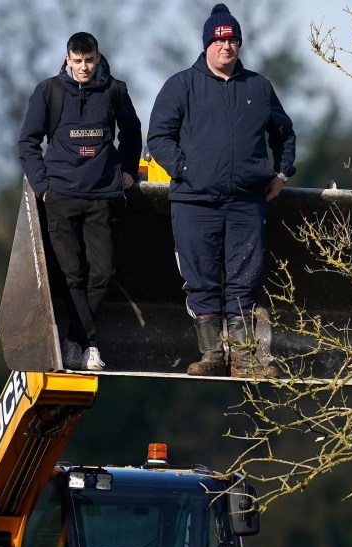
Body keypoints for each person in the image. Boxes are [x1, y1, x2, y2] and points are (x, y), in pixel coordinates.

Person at [147, 4, 296, 378]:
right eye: (219, 40)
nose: (226, 47)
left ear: (239, 45)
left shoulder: (259, 87)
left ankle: (245, 359)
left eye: (232, 40)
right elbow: (159, 137)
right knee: (201, 278)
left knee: (245, 279)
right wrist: (184, 170)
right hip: (194, 202)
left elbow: (285, 134)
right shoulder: (181, 85)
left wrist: (280, 173)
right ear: (207, 44)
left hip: (247, 202)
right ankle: (213, 355)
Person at [19, 31, 142, 372]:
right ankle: (89, 347)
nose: (84, 67)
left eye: (89, 60)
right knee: (71, 274)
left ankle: (75, 340)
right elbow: (27, 142)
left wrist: (129, 171)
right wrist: (43, 186)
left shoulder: (115, 90)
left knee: (102, 273)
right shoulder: (49, 91)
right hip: (60, 197)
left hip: (102, 196)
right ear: (67, 58)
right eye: (78, 61)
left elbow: (132, 132)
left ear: (98, 57)